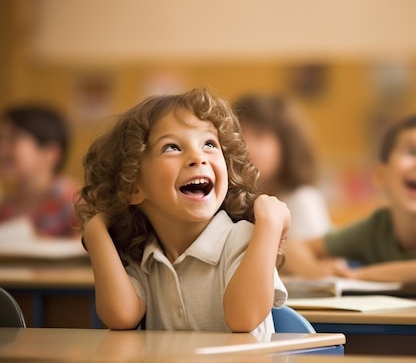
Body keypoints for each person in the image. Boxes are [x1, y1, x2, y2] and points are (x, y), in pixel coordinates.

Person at [76, 88, 290, 332]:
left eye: (209, 144)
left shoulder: (242, 239)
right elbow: (120, 316)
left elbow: (243, 318)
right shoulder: (145, 256)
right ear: (132, 186)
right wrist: (95, 230)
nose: (197, 157)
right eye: (172, 148)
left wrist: (270, 224)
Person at [283, 114, 416, 285]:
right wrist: (317, 272)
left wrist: (358, 275)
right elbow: (293, 248)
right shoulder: (375, 228)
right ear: (381, 175)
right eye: (411, 152)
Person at [233, 94, 331, 241]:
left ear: (287, 145)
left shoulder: (302, 200)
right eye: (239, 136)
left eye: (259, 135)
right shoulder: (235, 203)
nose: (246, 146)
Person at [0, 104, 79, 238]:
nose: (2, 150)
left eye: (13, 139)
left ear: (50, 153)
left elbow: (87, 247)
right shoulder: (7, 206)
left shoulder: (72, 201)